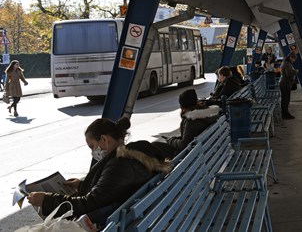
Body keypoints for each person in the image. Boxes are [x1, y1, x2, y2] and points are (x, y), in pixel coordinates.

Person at [26, 117, 170, 227]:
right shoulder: (135, 156)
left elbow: (90, 203)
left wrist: (46, 200)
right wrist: (81, 185)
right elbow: (110, 189)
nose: (93, 153)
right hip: (137, 217)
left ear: (104, 139)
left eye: (92, 146)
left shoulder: (119, 165)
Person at [156, 89, 221, 158]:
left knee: (154, 147)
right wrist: (174, 138)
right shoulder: (205, 112)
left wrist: (170, 140)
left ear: (182, 107)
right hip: (204, 150)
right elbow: (190, 137)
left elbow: (184, 145)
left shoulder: (191, 120)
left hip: (192, 156)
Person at [279, 52, 298, 119]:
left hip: (285, 83)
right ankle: (285, 114)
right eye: (294, 59)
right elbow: (288, 73)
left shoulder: (286, 62)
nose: (294, 61)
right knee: (285, 99)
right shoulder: (287, 63)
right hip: (285, 83)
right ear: (290, 57)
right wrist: (295, 71)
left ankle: (285, 113)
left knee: (286, 99)